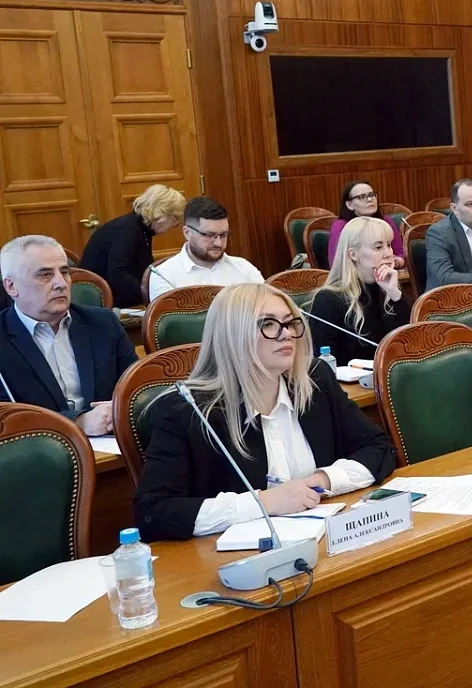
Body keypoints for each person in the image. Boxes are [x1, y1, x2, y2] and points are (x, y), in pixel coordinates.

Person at [133, 283, 397, 541]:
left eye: (290, 323)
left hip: (324, 539)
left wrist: (322, 480)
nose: (286, 334)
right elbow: (153, 512)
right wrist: (264, 502)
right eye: (268, 324)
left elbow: (379, 448)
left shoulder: (314, 380)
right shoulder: (185, 411)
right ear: (233, 335)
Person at [0, 235, 138, 433]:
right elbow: (6, 417)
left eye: (64, 272)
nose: (61, 283)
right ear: (11, 286)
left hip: (111, 439)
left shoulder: (103, 323)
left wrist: (118, 408)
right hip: (38, 447)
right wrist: (78, 422)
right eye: (45, 275)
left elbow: (137, 387)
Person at [310, 217, 411, 364]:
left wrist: (396, 295)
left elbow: (411, 344)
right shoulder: (328, 300)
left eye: (389, 245)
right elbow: (324, 364)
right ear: (353, 254)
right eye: (378, 247)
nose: (389, 253)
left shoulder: (388, 288)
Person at [79, 184, 186, 307]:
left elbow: (145, 270)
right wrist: (150, 295)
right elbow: (118, 274)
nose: (173, 226)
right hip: (98, 301)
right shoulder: (127, 230)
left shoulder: (142, 229)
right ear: (161, 214)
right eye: (174, 220)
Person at [148, 197, 264, 301]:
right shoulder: (164, 275)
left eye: (224, 235)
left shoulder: (244, 268)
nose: (218, 243)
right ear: (187, 233)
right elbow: (168, 318)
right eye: (209, 235)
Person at [326, 181, 406, 268]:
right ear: (349, 205)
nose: (370, 199)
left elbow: (400, 254)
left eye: (372, 195)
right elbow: (336, 263)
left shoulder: (385, 221)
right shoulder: (341, 226)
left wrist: (395, 262)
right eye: (362, 197)